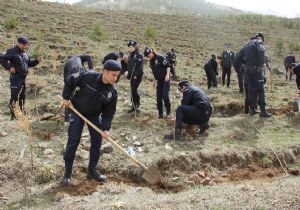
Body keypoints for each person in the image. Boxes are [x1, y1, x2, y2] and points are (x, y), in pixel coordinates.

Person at [61, 60, 121, 185]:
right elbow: (70, 80)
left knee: (97, 141)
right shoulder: (88, 76)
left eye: (117, 75)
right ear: (105, 72)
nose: (116, 78)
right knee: (73, 140)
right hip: (77, 110)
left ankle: (92, 171)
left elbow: (108, 113)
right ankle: (67, 174)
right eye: (113, 75)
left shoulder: (112, 93)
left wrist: (105, 129)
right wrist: (66, 97)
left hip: (94, 115)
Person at [0, 36, 42, 120]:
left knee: (22, 96)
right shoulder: (11, 51)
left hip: (23, 79)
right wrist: (9, 67)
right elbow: (1, 58)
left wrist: (37, 61)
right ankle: (13, 115)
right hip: (15, 78)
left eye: (26, 45)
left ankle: (22, 112)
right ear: (19, 43)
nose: (26, 46)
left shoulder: (25, 53)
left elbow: (29, 64)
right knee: (14, 96)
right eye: (24, 45)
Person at [237, 32, 272, 117]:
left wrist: (246, 63)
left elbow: (238, 57)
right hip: (257, 69)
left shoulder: (246, 44)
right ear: (258, 38)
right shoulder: (258, 42)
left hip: (248, 70)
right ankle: (263, 111)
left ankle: (252, 110)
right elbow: (261, 50)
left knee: (251, 90)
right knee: (260, 90)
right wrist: (260, 64)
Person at [63, 55, 94, 121]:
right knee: (69, 92)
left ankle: (81, 111)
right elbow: (68, 83)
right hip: (69, 68)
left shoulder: (80, 58)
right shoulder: (73, 73)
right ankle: (67, 117)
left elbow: (88, 57)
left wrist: (91, 70)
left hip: (79, 71)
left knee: (83, 92)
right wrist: (66, 97)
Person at [144, 47, 171, 118]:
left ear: (152, 52)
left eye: (149, 53)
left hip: (165, 79)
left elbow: (168, 66)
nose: (149, 55)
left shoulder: (160, 57)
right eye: (147, 55)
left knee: (165, 95)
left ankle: (168, 111)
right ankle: (160, 113)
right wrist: (154, 81)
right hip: (159, 80)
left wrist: (167, 75)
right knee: (158, 97)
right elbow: (155, 72)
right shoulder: (151, 62)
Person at [126, 40, 144, 113]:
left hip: (138, 76)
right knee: (132, 90)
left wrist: (136, 75)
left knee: (134, 89)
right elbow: (129, 66)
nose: (129, 48)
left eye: (131, 47)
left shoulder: (139, 55)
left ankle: (138, 104)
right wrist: (129, 75)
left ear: (134, 47)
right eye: (129, 47)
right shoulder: (130, 55)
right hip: (132, 76)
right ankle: (133, 105)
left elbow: (140, 67)